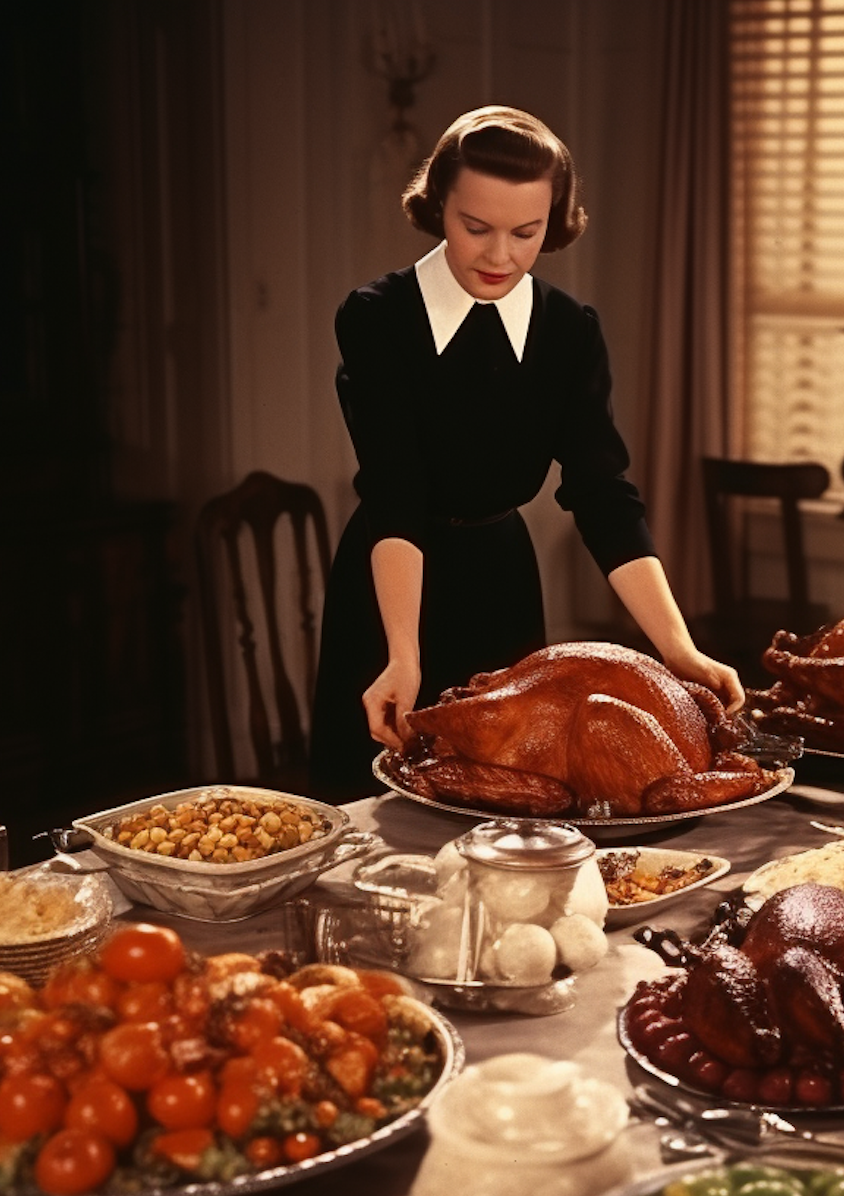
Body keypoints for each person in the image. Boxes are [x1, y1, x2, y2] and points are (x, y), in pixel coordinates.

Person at [309, 106, 741, 802]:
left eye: (526, 232)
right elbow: (396, 489)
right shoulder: (378, 317)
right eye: (474, 227)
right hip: (391, 581)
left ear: (556, 222)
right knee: (374, 806)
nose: (498, 255)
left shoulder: (570, 332)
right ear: (437, 206)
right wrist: (402, 653)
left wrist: (678, 647)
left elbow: (603, 494)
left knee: (509, 805)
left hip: (502, 580)